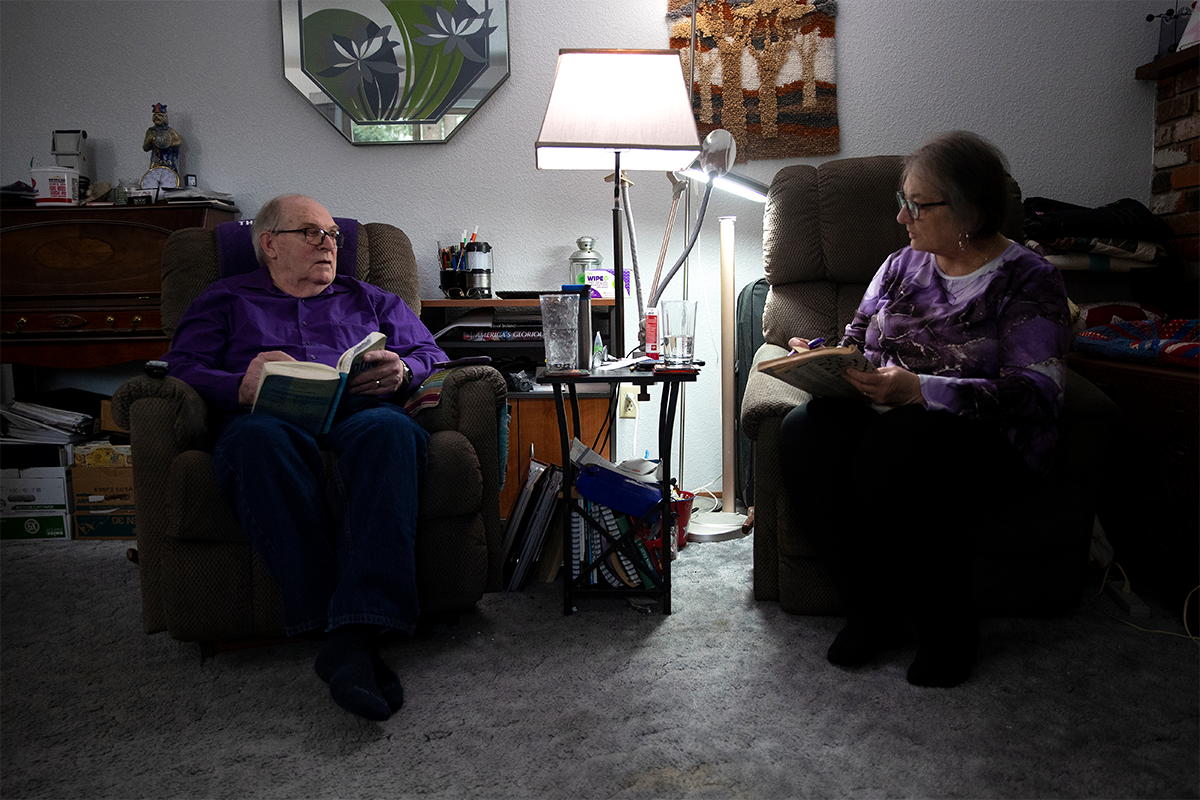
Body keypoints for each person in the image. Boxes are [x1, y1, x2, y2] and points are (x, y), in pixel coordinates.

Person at [777, 131, 1071, 688]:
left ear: (971, 210)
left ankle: (948, 629)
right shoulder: (900, 266)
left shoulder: (1030, 279)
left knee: (897, 451)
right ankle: (873, 611)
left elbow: (1036, 394)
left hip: (990, 436)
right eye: (902, 200)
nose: (900, 217)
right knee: (804, 434)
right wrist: (821, 359)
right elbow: (858, 339)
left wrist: (921, 390)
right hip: (892, 412)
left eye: (917, 204)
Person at [161, 194, 447, 720]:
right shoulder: (223, 299)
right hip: (265, 416)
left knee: (392, 432)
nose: (328, 243)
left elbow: (433, 353)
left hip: (359, 412)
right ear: (269, 244)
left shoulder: (371, 299)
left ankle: (350, 635)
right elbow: (181, 368)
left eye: (333, 235)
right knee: (256, 443)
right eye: (311, 233)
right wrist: (237, 384)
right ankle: (348, 637)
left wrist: (405, 372)